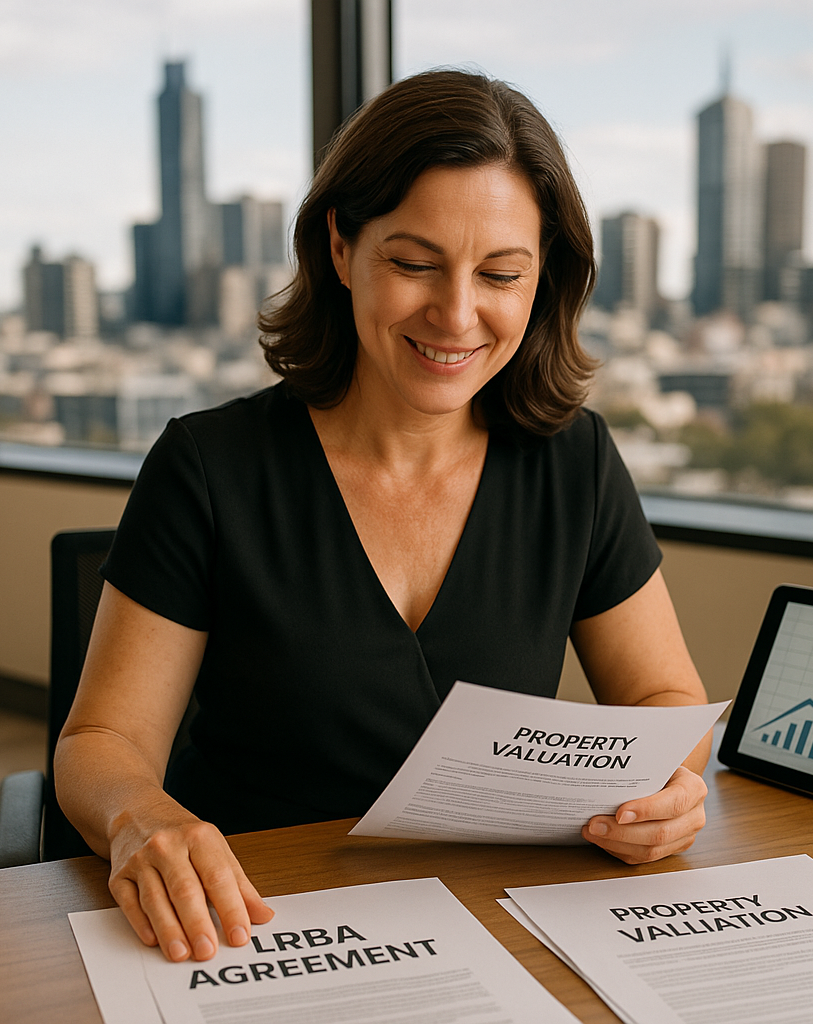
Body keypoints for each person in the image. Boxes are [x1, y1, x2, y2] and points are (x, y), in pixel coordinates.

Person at [54, 69, 710, 966]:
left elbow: (664, 703)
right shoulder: (210, 467)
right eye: (412, 263)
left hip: (501, 926)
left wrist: (668, 791)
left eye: (501, 274)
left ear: (540, 279)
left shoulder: (574, 461)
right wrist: (141, 819)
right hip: (256, 929)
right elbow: (102, 741)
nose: (456, 313)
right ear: (340, 248)